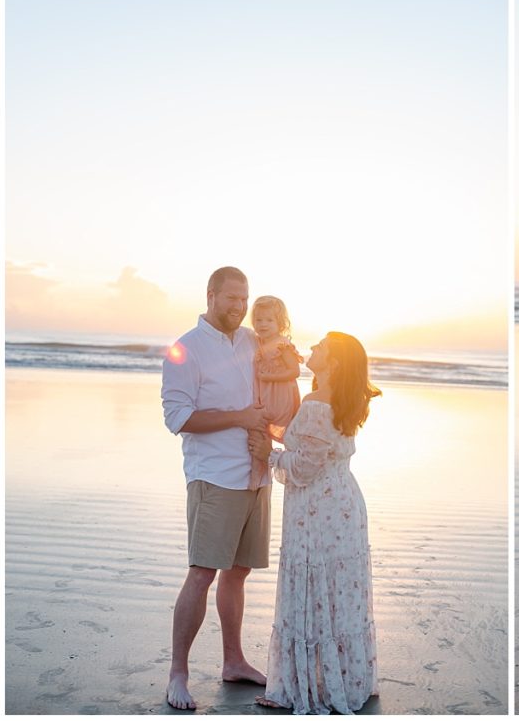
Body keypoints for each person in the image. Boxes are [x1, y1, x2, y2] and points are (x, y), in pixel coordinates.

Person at [160, 266, 273, 710]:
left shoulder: (251, 341)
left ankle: (234, 661)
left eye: (244, 299)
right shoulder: (185, 349)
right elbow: (178, 419)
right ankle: (178, 674)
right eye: (231, 298)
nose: (239, 306)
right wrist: (240, 417)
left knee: (239, 572)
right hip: (214, 477)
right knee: (203, 572)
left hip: (256, 474)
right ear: (211, 295)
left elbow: (276, 380)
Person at [253, 331, 382, 714]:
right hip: (344, 506)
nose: (312, 349)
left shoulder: (315, 403)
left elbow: (304, 467)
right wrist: (275, 434)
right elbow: (313, 445)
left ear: (335, 361)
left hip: (316, 512)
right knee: (339, 594)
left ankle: (308, 688)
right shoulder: (344, 401)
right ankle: (345, 677)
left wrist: (268, 455)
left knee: (313, 593)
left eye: (321, 347)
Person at [248, 295, 303, 491]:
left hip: (280, 395)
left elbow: (294, 371)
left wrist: (270, 377)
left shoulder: (282, 344)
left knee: (278, 430)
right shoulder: (257, 342)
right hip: (265, 395)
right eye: (259, 320)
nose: (263, 324)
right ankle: (259, 477)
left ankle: (290, 473)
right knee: (259, 432)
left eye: (269, 320)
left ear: (280, 323)